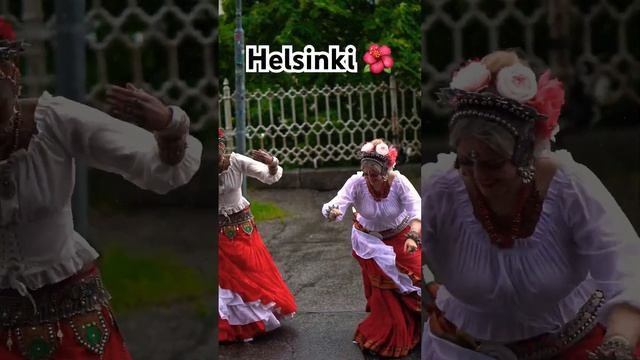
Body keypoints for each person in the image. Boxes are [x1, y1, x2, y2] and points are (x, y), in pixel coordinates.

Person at [0, 23, 202, 359]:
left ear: (11, 72)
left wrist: (169, 125)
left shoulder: (55, 120)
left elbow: (157, 166)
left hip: (71, 323)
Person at [421, 50, 640, 359]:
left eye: (494, 164)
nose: (479, 175)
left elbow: (628, 272)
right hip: (462, 348)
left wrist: (618, 344)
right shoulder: (439, 188)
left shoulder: (570, 186)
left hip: (572, 343)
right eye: (466, 162)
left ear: (526, 154)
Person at [322, 139, 422, 358]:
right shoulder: (356, 182)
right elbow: (336, 202)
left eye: (374, 175)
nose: (368, 178)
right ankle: (391, 329)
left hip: (401, 236)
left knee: (417, 282)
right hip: (369, 241)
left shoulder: (400, 183)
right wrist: (332, 211)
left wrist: (413, 237)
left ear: (386, 172)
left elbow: (417, 211)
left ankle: (423, 323)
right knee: (385, 291)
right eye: (365, 173)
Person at [217, 128, 297, 342]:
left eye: (217, 147)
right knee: (222, 278)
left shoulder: (236, 161)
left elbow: (269, 176)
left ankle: (254, 321)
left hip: (241, 229)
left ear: (223, 146)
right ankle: (227, 324)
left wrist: (271, 162)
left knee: (249, 273)